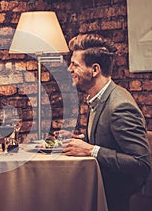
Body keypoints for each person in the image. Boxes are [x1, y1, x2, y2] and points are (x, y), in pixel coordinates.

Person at [62, 33, 151, 211]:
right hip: (99, 183)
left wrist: (90, 150)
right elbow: (110, 139)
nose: (69, 69)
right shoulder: (99, 96)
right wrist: (82, 139)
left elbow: (142, 164)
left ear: (95, 70)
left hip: (116, 194)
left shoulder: (120, 106)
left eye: (75, 64)